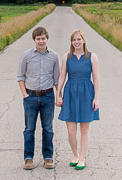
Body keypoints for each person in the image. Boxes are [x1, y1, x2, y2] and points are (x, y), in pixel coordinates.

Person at [56, 30, 100, 170]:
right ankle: (75, 155)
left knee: (84, 129)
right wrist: (58, 94)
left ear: (84, 40)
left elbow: (96, 78)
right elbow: (62, 76)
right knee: (70, 130)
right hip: (70, 93)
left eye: (79, 39)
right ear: (71, 42)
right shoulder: (67, 56)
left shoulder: (92, 57)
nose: (76, 42)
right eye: (74, 40)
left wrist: (96, 98)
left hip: (87, 93)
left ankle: (82, 158)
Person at [17, 26, 60, 170]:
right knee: (29, 128)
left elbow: (56, 79)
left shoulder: (53, 56)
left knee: (48, 128)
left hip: (48, 96)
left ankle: (48, 157)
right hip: (30, 96)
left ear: (47, 39)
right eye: (38, 39)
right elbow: (20, 77)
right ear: (34, 40)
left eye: (43, 38)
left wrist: (59, 96)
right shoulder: (26, 55)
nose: (41, 41)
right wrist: (24, 94)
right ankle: (28, 158)